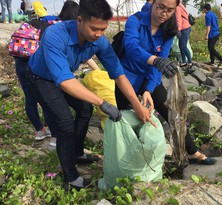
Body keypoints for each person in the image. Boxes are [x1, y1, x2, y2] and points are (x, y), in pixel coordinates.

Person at [26, 0, 161, 190]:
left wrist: (137, 104)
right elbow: (64, 81)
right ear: (80, 20)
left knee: (84, 108)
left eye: (103, 30)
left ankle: (77, 153)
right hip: (40, 78)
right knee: (64, 124)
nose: (99, 35)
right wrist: (103, 103)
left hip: (63, 77)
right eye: (94, 29)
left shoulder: (99, 42)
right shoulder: (55, 34)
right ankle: (71, 178)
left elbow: (118, 73)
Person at [116, 0, 216, 166]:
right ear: (153, 3)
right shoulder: (136, 20)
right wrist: (155, 60)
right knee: (124, 118)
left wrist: (148, 89)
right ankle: (127, 159)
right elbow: (131, 47)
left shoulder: (169, 29)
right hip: (127, 76)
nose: (163, 13)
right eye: (160, 7)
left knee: (172, 113)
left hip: (148, 77)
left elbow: (160, 63)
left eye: (169, 10)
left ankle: (192, 151)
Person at [14, 0, 81, 147]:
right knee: (47, 100)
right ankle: (55, 139)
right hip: (38, 64)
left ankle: (40, 131)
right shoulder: (62, 28)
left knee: (30, 98)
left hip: (21, 60)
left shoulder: (45, 20)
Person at [176, 1, 192, 68]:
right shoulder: (181, 5)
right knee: (181, 45)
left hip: (183, 28)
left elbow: (178, 19)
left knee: (183, 46)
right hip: (187, 27)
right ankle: (183, 61)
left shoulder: (177, 7)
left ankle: (190, 61)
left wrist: (178, 30)